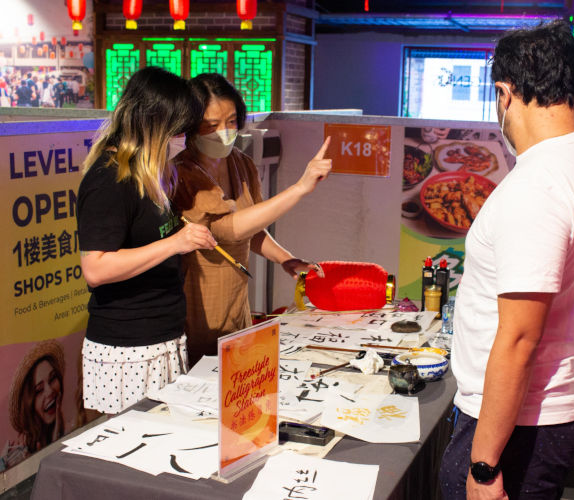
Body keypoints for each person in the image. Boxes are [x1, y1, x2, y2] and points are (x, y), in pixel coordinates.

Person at [439, 20, 574, 500]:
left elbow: (520, 337)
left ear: (505, 92)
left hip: (520, 424)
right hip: (553, 409)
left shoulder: (538, 186)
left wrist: (482, 466)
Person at [77, 66, 217, 414]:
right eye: (179, 130)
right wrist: (174, 244)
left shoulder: (153, 173)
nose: (184, 139)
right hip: (127, 348)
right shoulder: (110, 180)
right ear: (155, 126)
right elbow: (95, 268)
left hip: (163, 336)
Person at [172, 73, 332, 363]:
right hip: (197, 309)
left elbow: (252, 229)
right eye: (211, 125)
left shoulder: (241, 163)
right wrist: (299, 189)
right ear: (190, 126)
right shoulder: (182, 172)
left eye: (231, 121)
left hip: (236, 304)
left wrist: (286, 259)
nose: (224, 131)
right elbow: (227, 230)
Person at [2, 340, 66, 470]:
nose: (50, 391)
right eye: (39, 390)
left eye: (53, 378)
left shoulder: (72, 426)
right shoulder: (17, 453)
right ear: (28, 404)